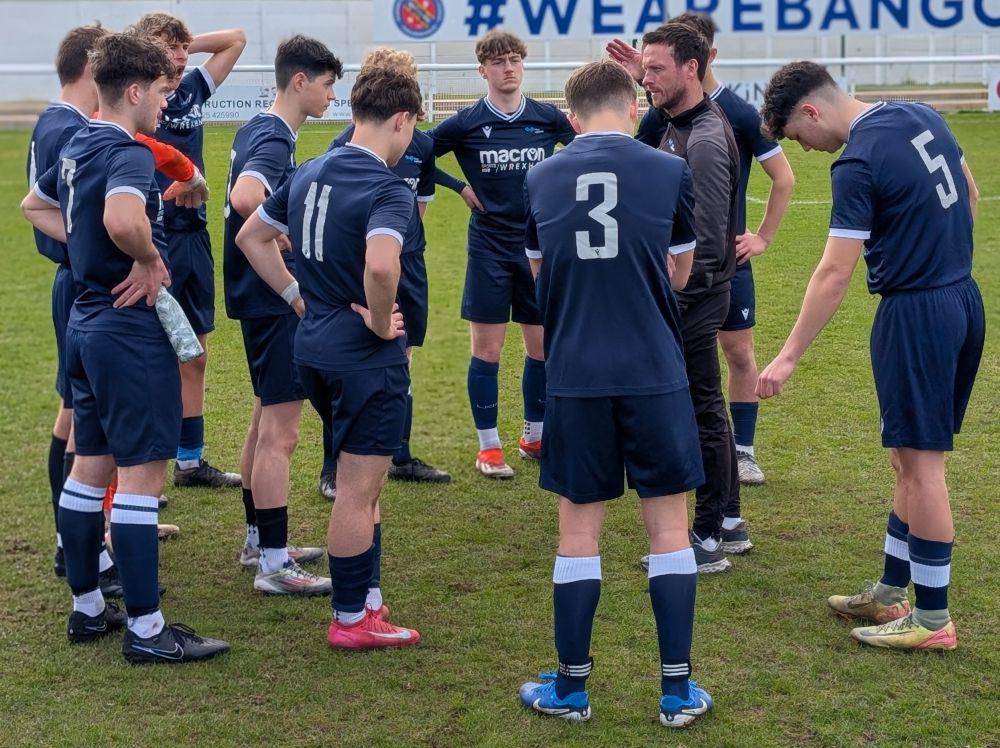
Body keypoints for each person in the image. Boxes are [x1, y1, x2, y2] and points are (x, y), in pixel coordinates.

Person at [756, 62, 983, 651]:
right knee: (907, 459)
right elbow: (970, 194)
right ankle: (890, 591)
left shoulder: (856, 161)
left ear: (811, 111)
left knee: (923, 467)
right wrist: (940, 258)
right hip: (962, 297)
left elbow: (834, 271)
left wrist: (787, 356)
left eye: (798, 136)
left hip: (916, 313)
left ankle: (932, 620)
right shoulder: (919, 113)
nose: (805, 149)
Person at [21, 31, 228, 663]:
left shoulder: (78, 142)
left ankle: (88, 609)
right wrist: (145, 257)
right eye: (162, 91)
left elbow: (35, 205)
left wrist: (91, 244)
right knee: (140, 476)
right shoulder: (128, 153)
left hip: (85, 321)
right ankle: (146, 630)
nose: (167, 102)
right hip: (127, 327)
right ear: (135, 91)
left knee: (91, 466)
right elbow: (120, 218)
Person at [517, 60, 712, 728]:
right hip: (654, 368)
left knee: (578, 530)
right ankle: (677, 690)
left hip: (575, 373)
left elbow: (539, 274)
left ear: (571, 118)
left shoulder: (540, 176)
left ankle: (571, 689)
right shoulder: (668, 169)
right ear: (632, 106)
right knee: (669, 527)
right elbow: (680, 272)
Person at [237, 64, 425, 649]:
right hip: (362, 358)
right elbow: (381, 267)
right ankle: (350, 619)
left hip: (313, 346)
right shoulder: (388, 189)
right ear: (401, 120)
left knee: (359, 480)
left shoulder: (311, 169)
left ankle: (368, 598)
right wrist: (379, 321)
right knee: (357, 489)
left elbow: (251, 237)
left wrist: (297, 297)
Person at [612, 13, 794, 492]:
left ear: (702, 58)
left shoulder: (736, 113)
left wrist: (762, 237)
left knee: (738, 352)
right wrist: (642, 81)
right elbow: (627, 159)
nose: (651, 75)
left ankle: (742, 451)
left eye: (659, 66)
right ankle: (696, 459)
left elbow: (784, 178)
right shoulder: (663, 114)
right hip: (675, 263)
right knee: (682, 362)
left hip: (723, 263)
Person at [611, 23, 740, 572]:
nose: (647, 79)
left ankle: (708, 535)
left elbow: (707, 243)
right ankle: (728, 521)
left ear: (692, 68)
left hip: (693, 296)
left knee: (700, 409)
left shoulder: (704, 140)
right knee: (701, 407)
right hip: (684, 293)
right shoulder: (674, 121)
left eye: (657, 69)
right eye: (645, 69)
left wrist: (668, 297)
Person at [223, 35, 343, 596]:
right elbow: (248, 198)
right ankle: (274, 565)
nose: (332, 96)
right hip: (272, 297)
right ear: (299, 81)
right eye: (327, 84)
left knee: (262, 419)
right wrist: (288, 238)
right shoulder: (273, 137)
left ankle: (259, 540)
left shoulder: (256, 127)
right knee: (281, 433)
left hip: (254, 297)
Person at [431, 29, 575, 478]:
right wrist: (458, 186)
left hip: (538, 249)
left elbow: (586, 150)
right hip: (489, 247)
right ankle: (489, 447)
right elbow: (414, 153)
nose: (508, 68)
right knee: (488, 350)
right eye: (498, 62)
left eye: (514, 59)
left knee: (542, 347)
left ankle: (535, 436)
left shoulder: (547, 118)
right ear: (482, 70)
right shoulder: (466, 122)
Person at [322, 48, 451, 497]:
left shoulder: (422, 144)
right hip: (363, 264)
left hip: (408, 262)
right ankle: (333, 465)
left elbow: (420, 205)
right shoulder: (345, 144)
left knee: (403, 356)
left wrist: (401, 246)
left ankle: (401, 454)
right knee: (352, 366)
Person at [133, 11, 246, 488]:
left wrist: (183, 47)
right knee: (149, 354)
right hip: (150, 238)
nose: (180, 57)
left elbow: (236, 39)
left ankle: (189, 461)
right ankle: (140, 469)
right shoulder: (136, 98)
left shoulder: (194, 86)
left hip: (194, 234)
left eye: (182, 47)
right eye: (169, 47)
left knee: (195, 351)